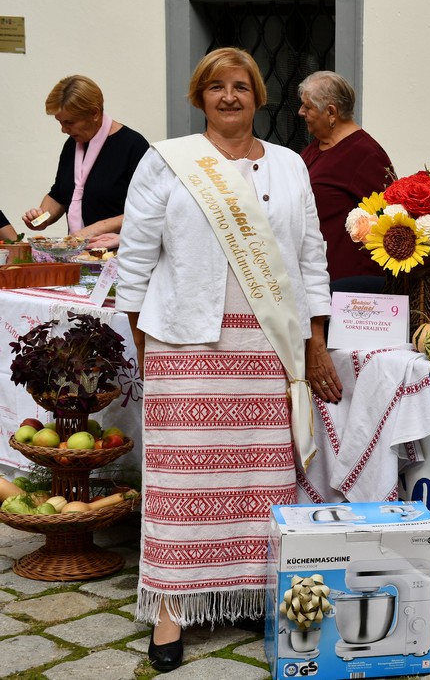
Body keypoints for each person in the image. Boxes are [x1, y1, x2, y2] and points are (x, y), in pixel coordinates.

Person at [115, 47, 340, 673]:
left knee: (256, 479)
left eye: (241, 86)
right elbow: (134, 257)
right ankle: (171, 610)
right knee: (183, 482)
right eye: (216, 87)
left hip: (268, 344)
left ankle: (245, 590)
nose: (230, 96)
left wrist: (314, 338)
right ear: (199, 96)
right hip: (187, 344)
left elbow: (312, 257)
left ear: (257, 95)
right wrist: (139, 339)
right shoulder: (167, 162)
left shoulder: (292, 165)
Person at [22, 75, 148, 250]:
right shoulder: (73, 144)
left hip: (120, 255)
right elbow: (60, 194)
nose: (63, 130)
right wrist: (40, 218)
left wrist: (97, 228)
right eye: (60, 122)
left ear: (95, 113)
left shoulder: (133, 145)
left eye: (69, 122)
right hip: (78, 253)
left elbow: (148, 210)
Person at [297, 70, 394, 292]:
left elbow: (391, 220)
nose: (301, 112)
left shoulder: (365, 154)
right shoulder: (315, 148)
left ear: (331, 112)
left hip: (347, 288)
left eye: (308, 107)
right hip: (313, 278)